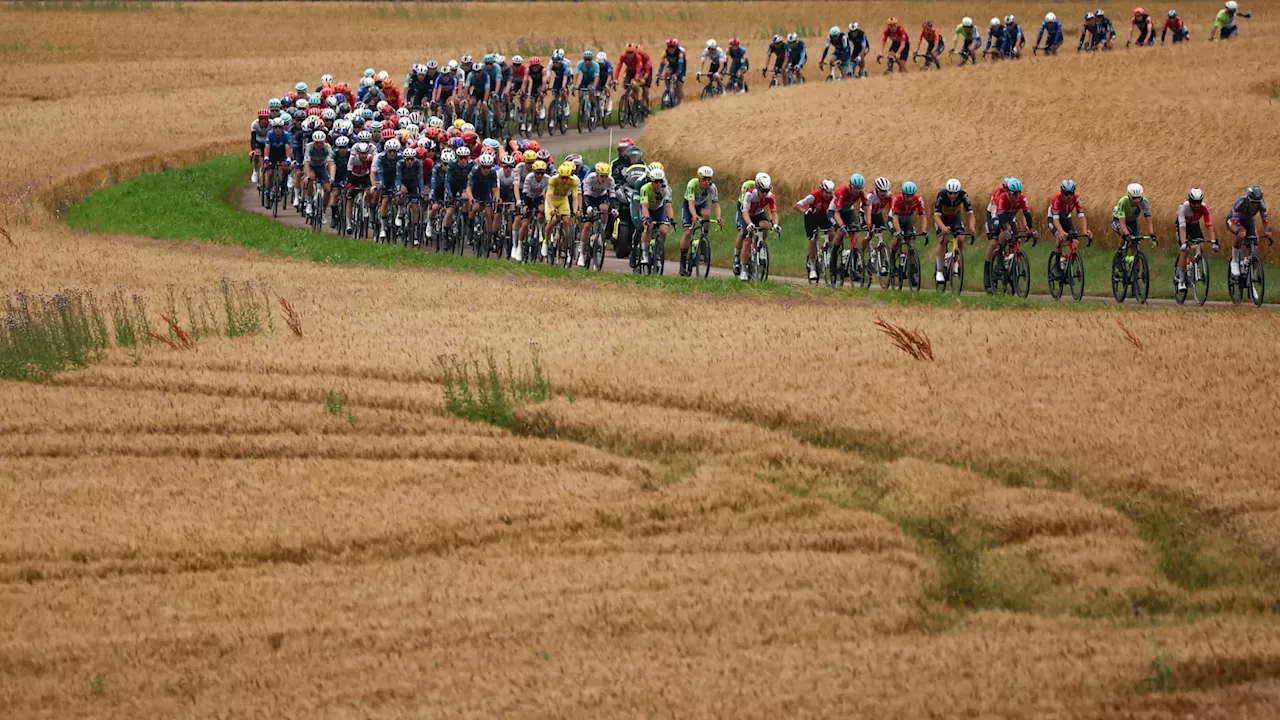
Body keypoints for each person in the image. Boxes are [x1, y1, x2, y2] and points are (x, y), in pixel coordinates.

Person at [984, 178, 1035, 289]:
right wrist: (1005, 231)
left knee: (1015, 236)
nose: (1017, 196)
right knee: (995, 242)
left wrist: (1030, 228)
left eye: (1019, 193)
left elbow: (1027, 214)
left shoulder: (1021, 198)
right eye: (1014, 194)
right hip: (996, 217)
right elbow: (1000, 218)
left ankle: (1012, 262)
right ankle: (991, 268)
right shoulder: (1001, 197)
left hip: (1010, 217)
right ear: (1008, 192)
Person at [932, 178, 977, 284]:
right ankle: (939, 271)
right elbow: (936, 217)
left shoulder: (963, 195)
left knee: (961, 238)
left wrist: (972, 227)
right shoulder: (942, 195)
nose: (953, 195)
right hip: (942, 218)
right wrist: (943, 227)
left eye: (955, 193)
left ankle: (956, 262)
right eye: (950, 193)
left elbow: (970, 214)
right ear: (947, 191)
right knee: (943, 240)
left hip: (955, 218)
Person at [1046, 179, 1092, 280]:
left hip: (1066, 218)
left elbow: (1081, 215)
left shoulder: (1076, 199)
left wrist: (1084, 230)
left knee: (1075, 241)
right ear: (1062, 193)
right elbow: (1056, 220)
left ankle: (1067, 263)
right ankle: (1057, 265)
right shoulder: (1056, 199)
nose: (1069, 196)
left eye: (1071, 193)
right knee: (1059, 236)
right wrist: (1061, 232)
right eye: (1066, 194)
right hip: (1053, 218)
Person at [680, 166, 721, 275]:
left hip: (702, 204)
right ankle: (683, 260)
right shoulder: (692, 184)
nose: (707, 182)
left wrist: (718, 217)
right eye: (704, 180)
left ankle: (704, 238)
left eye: (709, 180)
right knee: (688, 232)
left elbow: (716, 204)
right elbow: (691, 203)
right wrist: (693, 215)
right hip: (689, 205)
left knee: (707, 214)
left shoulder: (712, 187)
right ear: (699, 178)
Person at [738, 173, 779, 280]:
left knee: (765, 225)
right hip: (747, 215)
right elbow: (745, 212)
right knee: (747, 241)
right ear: (757, 188)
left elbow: (773, 212)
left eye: (767, 191)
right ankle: (743, 269)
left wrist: (775, 224)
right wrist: (749, 223)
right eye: (762, 191)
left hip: (758, 213)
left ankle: (761, 245)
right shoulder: (749, 195)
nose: (765, 194)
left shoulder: (770, 196)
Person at [1174, 188, 1216, 291]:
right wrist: (1184, 243)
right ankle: (1182, 281)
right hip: (1182, 226)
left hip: (1194, 225)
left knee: (1201, 245)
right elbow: (1182, 228)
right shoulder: (1184, 207)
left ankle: (1193, 264)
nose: (1196, 205)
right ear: (1190, 201)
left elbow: (1209, 226)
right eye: (1194, 203)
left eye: (1198, 203)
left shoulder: (1204, 208)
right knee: (1185, 250)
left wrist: (1214, 242)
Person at [1226, 186, 1272, 279]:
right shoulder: (1240, 203)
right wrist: (1239, 231)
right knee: (1240, 233)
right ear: (1248, 199)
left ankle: (1251, 280)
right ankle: (1234, 261)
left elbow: (1265, 220)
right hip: (1234, 220)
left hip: (1248, 221)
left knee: (1255, 246)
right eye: (1252, 202)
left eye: (1257, 203)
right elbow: (1234, 223)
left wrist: (1267, 230)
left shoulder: (1261, 204)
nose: (1255, 205)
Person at [795, 180, 837, 280]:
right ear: (821, 191)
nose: (828, 195)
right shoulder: (813, 196)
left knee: (831, 233)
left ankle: (825, 251)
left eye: (830, 193)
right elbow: (797, 205)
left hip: (822, 216)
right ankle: (812, 267)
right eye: (826, 192)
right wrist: (805, 211)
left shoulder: (833, 197)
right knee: (813, 240)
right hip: (811, 218)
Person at [578, 163, 615, 267]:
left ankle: (601, 233)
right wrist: (587, 207)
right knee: (587, 225)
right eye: (602, 176)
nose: (604, 178)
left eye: (606, 176)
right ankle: (581, 253)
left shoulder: (610, 180)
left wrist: (614, 209)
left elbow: (612, 196)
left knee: (604, 209)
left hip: (600, 196)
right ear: (597, 174)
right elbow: (585, 195)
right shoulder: (590, 178)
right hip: (588, 197)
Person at [637, 168, 673, 266]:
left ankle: (658, 252)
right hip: (648, 209)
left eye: (660, 181)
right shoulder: (645, 188)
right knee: (649, 227)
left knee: (664, 230)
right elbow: (644, 206)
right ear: (651, 181)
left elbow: (668, 206)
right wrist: (647, 218)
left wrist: (671, 219)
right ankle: (644, 253)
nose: (658, 184)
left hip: (659, 209)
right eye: (655, 182)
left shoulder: (666, 189)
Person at [513, 160, 549, 261]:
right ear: (534, 172)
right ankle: (519, 246)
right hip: (528, 198)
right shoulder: (529, 177)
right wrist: (524, 206)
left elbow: (548, 194)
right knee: (524, 223)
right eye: (537, 173)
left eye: (542, 173)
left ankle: (539, 229)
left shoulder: (547, 179)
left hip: (538, 198)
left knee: (542, 210)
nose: (540, 175)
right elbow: (524, 193)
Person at [1111, 183, 1156, 263]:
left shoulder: (1144, 202)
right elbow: (1122, 224)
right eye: (1134, 198)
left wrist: (1152, 234)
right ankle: (1119, 252)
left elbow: (1149, 220)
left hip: (1132, 221)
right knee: (1124, 234)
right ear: (1129, 196)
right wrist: (1127, 234)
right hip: (1118, 220)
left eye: (1139, 198)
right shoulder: (1123, 202)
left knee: (1136, 244)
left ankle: (1137, 269)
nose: (1137, 201)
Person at [544, 162, 580, 258]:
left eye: (566, 178)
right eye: (562, 177)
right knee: (553, 221)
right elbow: (549, 196)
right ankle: (546, 242)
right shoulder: (553, 180)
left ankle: (565, 245)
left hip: (563, 201)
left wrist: (576, 210)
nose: (564, 180)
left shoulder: (573, 181)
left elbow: (575, 197)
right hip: (552, 201)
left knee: (567, 221)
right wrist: (552, 209)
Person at [889, 181, 926, 266]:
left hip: (907, 220)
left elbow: (923, 216)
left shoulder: (918, 199)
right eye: (907, 196)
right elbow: (895, 218)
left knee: (912, 242)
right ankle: (893, 255)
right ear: (903, 194)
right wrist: (898, 231)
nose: (910, 198)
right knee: (898, 238)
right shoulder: (897, 199)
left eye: (911, 196)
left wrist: (923, 229)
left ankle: (912, 267)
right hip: (894, 219)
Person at [659, 38, 687, 103]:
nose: (670, 49)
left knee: (678, 84)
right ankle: (668, 90)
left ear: (675, 47)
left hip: (680, 67)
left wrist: (676, 74)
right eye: (669, 47)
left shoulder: (680, 53)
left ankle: (680, 100)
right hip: (671, 66)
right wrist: (659, 74)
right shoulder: (665, 52)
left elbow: (681, 66)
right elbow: (662, 64)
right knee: (667, 73)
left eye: (672, 47)